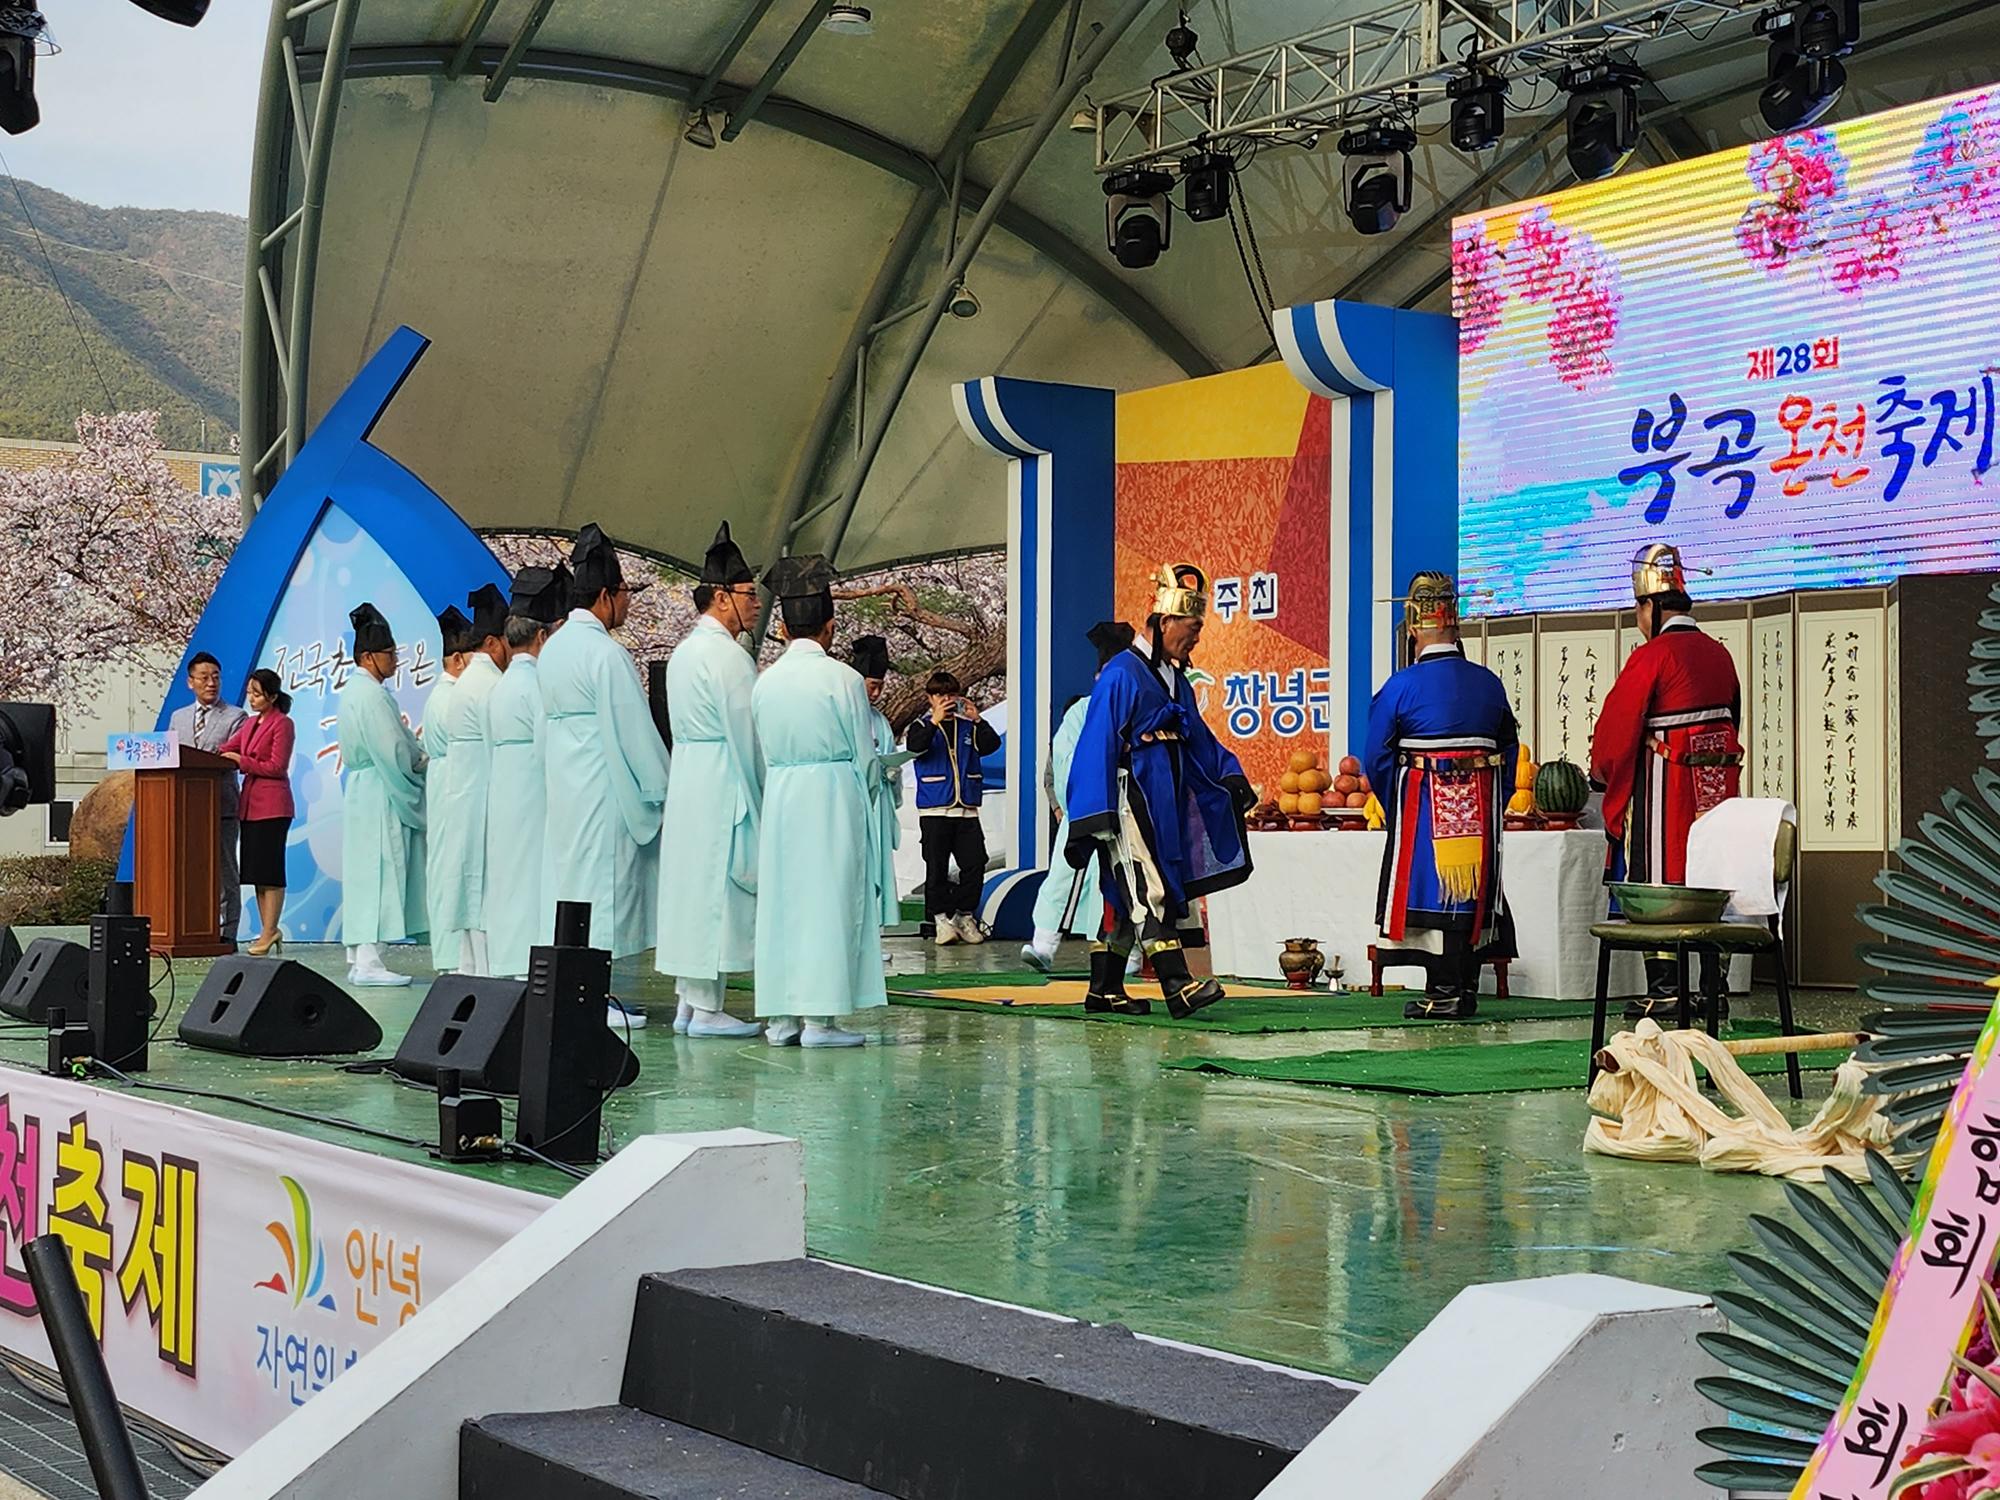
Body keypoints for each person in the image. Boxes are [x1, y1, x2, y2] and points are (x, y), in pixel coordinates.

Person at [1064, 563, 1254, 1019]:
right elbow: (1099, 740)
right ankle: (1176, 984)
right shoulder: (1123, 673)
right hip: (1131, 796)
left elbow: (1200, 737)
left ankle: (1104, 990)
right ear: (1164, 622)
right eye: (1191, 629)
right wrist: (1095, 811)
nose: (1195, 639)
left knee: (1122, 894)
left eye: (1199, 630)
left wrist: (1230, 775)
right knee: (1150, 887)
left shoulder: (1174, 677)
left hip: (1164, 794)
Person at [1591, 542, 1743, 1020]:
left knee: (1658, 877)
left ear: (1651, 606)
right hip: (1717, 791)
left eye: (1638, 608)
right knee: (1713, 876)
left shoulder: (1653, 656)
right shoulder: (1720, 656)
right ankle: (1711, 987)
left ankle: (1666, 989)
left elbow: (1617, 731)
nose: (1638, 618)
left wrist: (1603, 774)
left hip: (1666, 788)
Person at [1363, 573, 1519, 1020]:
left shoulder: (1401, 686)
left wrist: (1399, 801)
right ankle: (1463, 985)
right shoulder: (1488, 683)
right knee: (1469, 895)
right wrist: (1496, 797)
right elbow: (1509, 746)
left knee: (1434, 894)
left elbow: (1376, 755)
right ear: (1457, 626)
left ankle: (1444, 989)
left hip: (1424, 805)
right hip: (1480, 803)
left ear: (1413, 629)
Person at [751, 554, 887, 1047]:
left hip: (784, 793)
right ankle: (820, 1020)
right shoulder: (844, 680)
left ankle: (783, 1017)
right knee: (828, 898)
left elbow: (761, 749)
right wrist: (870, 789)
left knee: (786, 901)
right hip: (832, 794)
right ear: (829, 628)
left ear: (784, 627)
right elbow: (865, 755)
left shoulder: (765, 682)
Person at [540, 522, 669, 1028]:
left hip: (566, 781)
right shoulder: (605, 653)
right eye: (624, 594)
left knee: (575, 883)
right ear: (605, 596)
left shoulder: (553, 650)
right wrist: (662, 784)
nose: (629, 605)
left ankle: (580, 990)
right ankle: (601, 996)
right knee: (607, 886)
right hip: (602, 782)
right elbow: (634, 728)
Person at [656, 523, 765, 1039]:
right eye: (748, 595)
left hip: (691, 777)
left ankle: (689, 997)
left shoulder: (683, 652)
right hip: (721, 777)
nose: (757, 604)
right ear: (721, 598)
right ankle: (705, 1007)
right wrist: (764, 799)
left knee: (692, 887)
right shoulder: (727, 657)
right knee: (716, 890)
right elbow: (747, 736)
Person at [1022, 621, 1133, 973]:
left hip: (1128, 811)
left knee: (1126, 884)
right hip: (1086, 807)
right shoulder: (1081, 711)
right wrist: (1077, 800)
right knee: (1065, 877)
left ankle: (1127, 952)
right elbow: (1065, 760)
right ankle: (1044, 945)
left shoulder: (1138, 709)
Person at [484, 564, 569, 981]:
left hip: (503, 790)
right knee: (534, 877)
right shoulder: (538, 683)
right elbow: (547, 744)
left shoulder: (497, 686)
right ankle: (529, 965)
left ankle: (511, 961)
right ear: (542, 636)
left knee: (509, 877)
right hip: (533, 790)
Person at [336, 603, 427, 986]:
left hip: (364, 787)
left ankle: (361, 955)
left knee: (364, 871)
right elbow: (393, 749)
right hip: (379, 787)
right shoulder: (371, 696)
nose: (395, 661)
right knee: (378, 869)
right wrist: (421, 765)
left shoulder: (357, 690)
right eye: (390, 654)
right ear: (369, 657)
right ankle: (370, 961)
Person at [432, 583, 509, 976]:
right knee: (483, 886)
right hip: (482, 791)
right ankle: (485, 968)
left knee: (467, 880)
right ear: (494, 643)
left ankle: (470, 965)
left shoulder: (463, 686)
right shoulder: (493, 686)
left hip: (460, 790)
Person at [905, 669, 1000, 946]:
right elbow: (915, 748)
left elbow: (992, 744)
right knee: (936, 867)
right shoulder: (921, 726)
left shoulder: (967, 725)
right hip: (935, 809)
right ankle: (940, 920)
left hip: (966, 808)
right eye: (940, 695)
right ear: (930, 698)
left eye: (951, 695)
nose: (946, 700)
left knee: (975, 863)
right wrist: (934, 721)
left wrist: (978, 718)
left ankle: (964, 914)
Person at [168, 652, 248, 945]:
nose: (211, 682)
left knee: (225, 870)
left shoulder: (236, 716)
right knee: (189, 869)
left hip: (221, 805)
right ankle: (192, 926)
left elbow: (233, 757)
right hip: (184, 808)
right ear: (190, 682)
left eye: (216, 676)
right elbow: (170, 757)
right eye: (204, 677)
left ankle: (228, 932)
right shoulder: (178, 717)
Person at [218, 668, 297, 956]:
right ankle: (268, 930)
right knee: (258, 873)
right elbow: (227, 747)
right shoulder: (250, 724)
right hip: (250, 807)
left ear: (272, 696)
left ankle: (269, 930)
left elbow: (277, 767)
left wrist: (243, 761)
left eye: (257, 693)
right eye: (250, 692)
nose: (251, 698)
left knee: (271, 872)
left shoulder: (282, 724)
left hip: (273, 806)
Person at [423, 605, 472, 973]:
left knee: (444, 869)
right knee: (451, 870)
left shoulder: (442, 693)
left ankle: (451, 954)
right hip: (455, 782)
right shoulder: (455, 695)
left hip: (445, 783)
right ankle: (454, 955)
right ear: (457, 659)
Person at [850, 634, 903, 953]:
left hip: (878, 800)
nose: (877, 692)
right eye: (872, 685)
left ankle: (876, 934)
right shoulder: (845, 712)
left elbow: (888, 750)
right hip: (856, 798)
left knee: (878, 865)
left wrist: (892, 769)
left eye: (880, 686)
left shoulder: (879, 720)